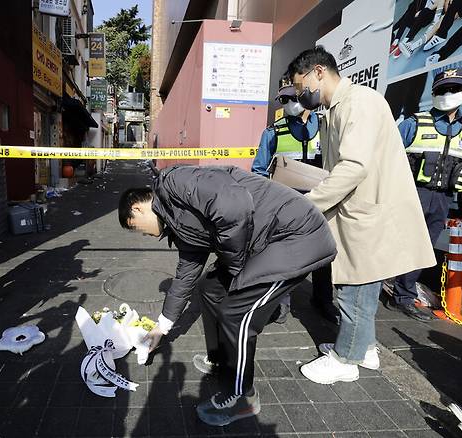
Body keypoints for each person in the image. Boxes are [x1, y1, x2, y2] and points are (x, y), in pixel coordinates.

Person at [118, 165, 337, 426]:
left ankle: (242, 396)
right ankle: (221, 360)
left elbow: (234, 206)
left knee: (237, 312)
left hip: (295, 235)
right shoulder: (177, 223)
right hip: (264, 242)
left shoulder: (175, 182)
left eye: (137, 227)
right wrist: (160, 329)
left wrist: (235, 268)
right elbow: (185, 278)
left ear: (138, 208)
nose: (143, 234)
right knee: (209, 287)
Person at [286, 47, 435, 384]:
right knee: (362, 288)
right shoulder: (337, 107)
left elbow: (353, 167)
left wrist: (309, 204)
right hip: (360, 211)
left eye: (300, 85)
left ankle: (346, 359)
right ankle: (364, 347)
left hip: (367, 213)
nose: (299, 94)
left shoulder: (358, 103)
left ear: (319, 72)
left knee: (353, 291)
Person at [389, 68, 462, 321]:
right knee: (397, 244)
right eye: (442, 90)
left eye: (455, 89)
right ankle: (375, 287)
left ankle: (402, 297)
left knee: (422, 249)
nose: (448, 94)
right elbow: (386, 156)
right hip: (410, 193)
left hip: (442, 199)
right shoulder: (413, 123)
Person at [251, 75, 338, 325]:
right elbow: (258, 171)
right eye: (284, 99)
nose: (290, 102)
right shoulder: (273, 132)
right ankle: (281, 302)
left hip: (321, 202)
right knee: (285, 255)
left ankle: (323, 300)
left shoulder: (325, 127)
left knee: (324, 254)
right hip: (287, 206)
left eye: (293, 96)